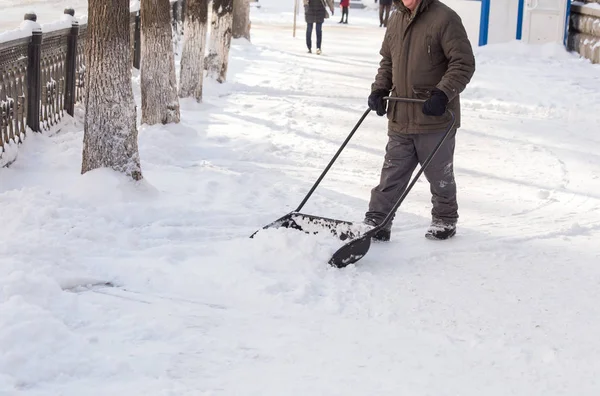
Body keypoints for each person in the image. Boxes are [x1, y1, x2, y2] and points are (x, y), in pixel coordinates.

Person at [364, 0, 475, 241]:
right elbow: (388, 62)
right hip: (401, 113)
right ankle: (377, 220)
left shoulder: (445, 18)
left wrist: (443, 93)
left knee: (439, 174)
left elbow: (463, 63)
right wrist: (379, 89)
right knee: (392, 172)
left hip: (433, 115)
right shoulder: (396, 18)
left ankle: (444, 219)